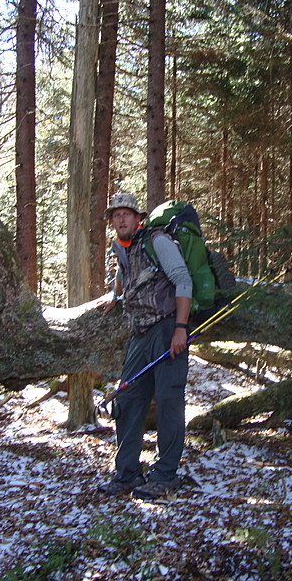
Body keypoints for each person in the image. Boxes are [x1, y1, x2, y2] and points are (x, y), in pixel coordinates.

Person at [97, 193, 192, 500]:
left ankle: (165, 475)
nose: (121, 219)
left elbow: (183, 280)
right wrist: (116, 297)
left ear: (138, 218)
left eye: (126, 214)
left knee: (168, 402)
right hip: (138, 333)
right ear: (111, 221)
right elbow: (127, 278)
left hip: (166, 328)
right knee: (127, 402)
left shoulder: (158, 241)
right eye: (116, 215)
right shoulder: (121, 248)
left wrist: (180, 328)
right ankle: (126, 474)